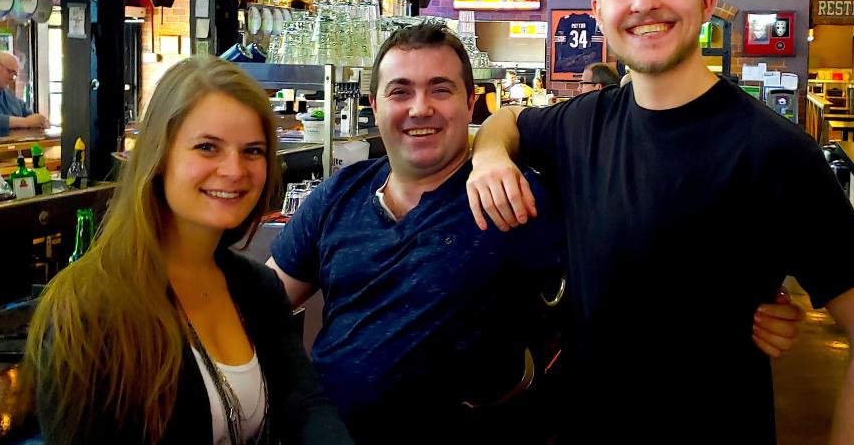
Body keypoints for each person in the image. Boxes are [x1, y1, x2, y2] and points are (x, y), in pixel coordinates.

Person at [466, 0, 854, 443]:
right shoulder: (580, 122)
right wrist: (488, 156)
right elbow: (506, 121)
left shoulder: (775, 152)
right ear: (599, 11)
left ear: (705, 0)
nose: (644, 2)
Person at [267, 24, 804, 443]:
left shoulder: (520, 198)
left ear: (471, 102)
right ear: (375, 104)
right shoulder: (338, 195)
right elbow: (261, 306)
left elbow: (646, 258)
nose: (420, 108)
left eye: (440, 89)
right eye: (400, 91)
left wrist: (745, 303)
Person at [26, 57, 351, 445]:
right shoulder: (87, 309)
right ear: (160, 156)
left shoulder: (258, 287)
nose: (234, 170)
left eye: (252, 151)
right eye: (207, 147)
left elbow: (305, 406)